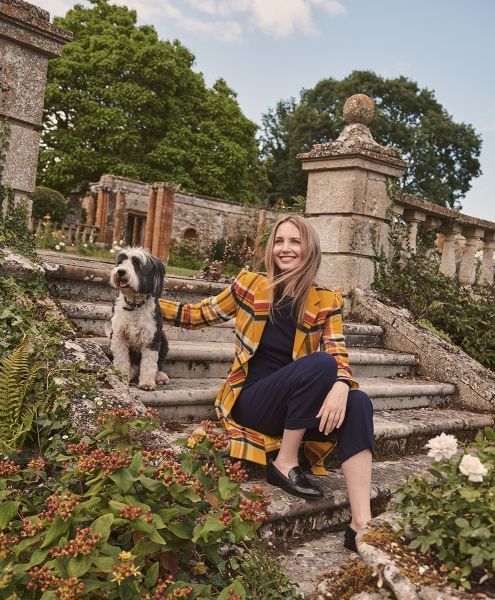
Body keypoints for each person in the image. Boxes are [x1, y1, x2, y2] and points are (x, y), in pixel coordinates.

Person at [159, 214, 374, 552]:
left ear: (310, 250)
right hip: (254, 401)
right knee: (320, 364)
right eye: (279, 241)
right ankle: (285, 463)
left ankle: (361, 524)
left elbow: (338, 352)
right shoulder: (250, 285)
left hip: (295, 409)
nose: (285, 249)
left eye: (294, 242)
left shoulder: (327, 301)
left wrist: (342, 385)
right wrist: (144, 301)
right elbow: (198, 315)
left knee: (359, 401)